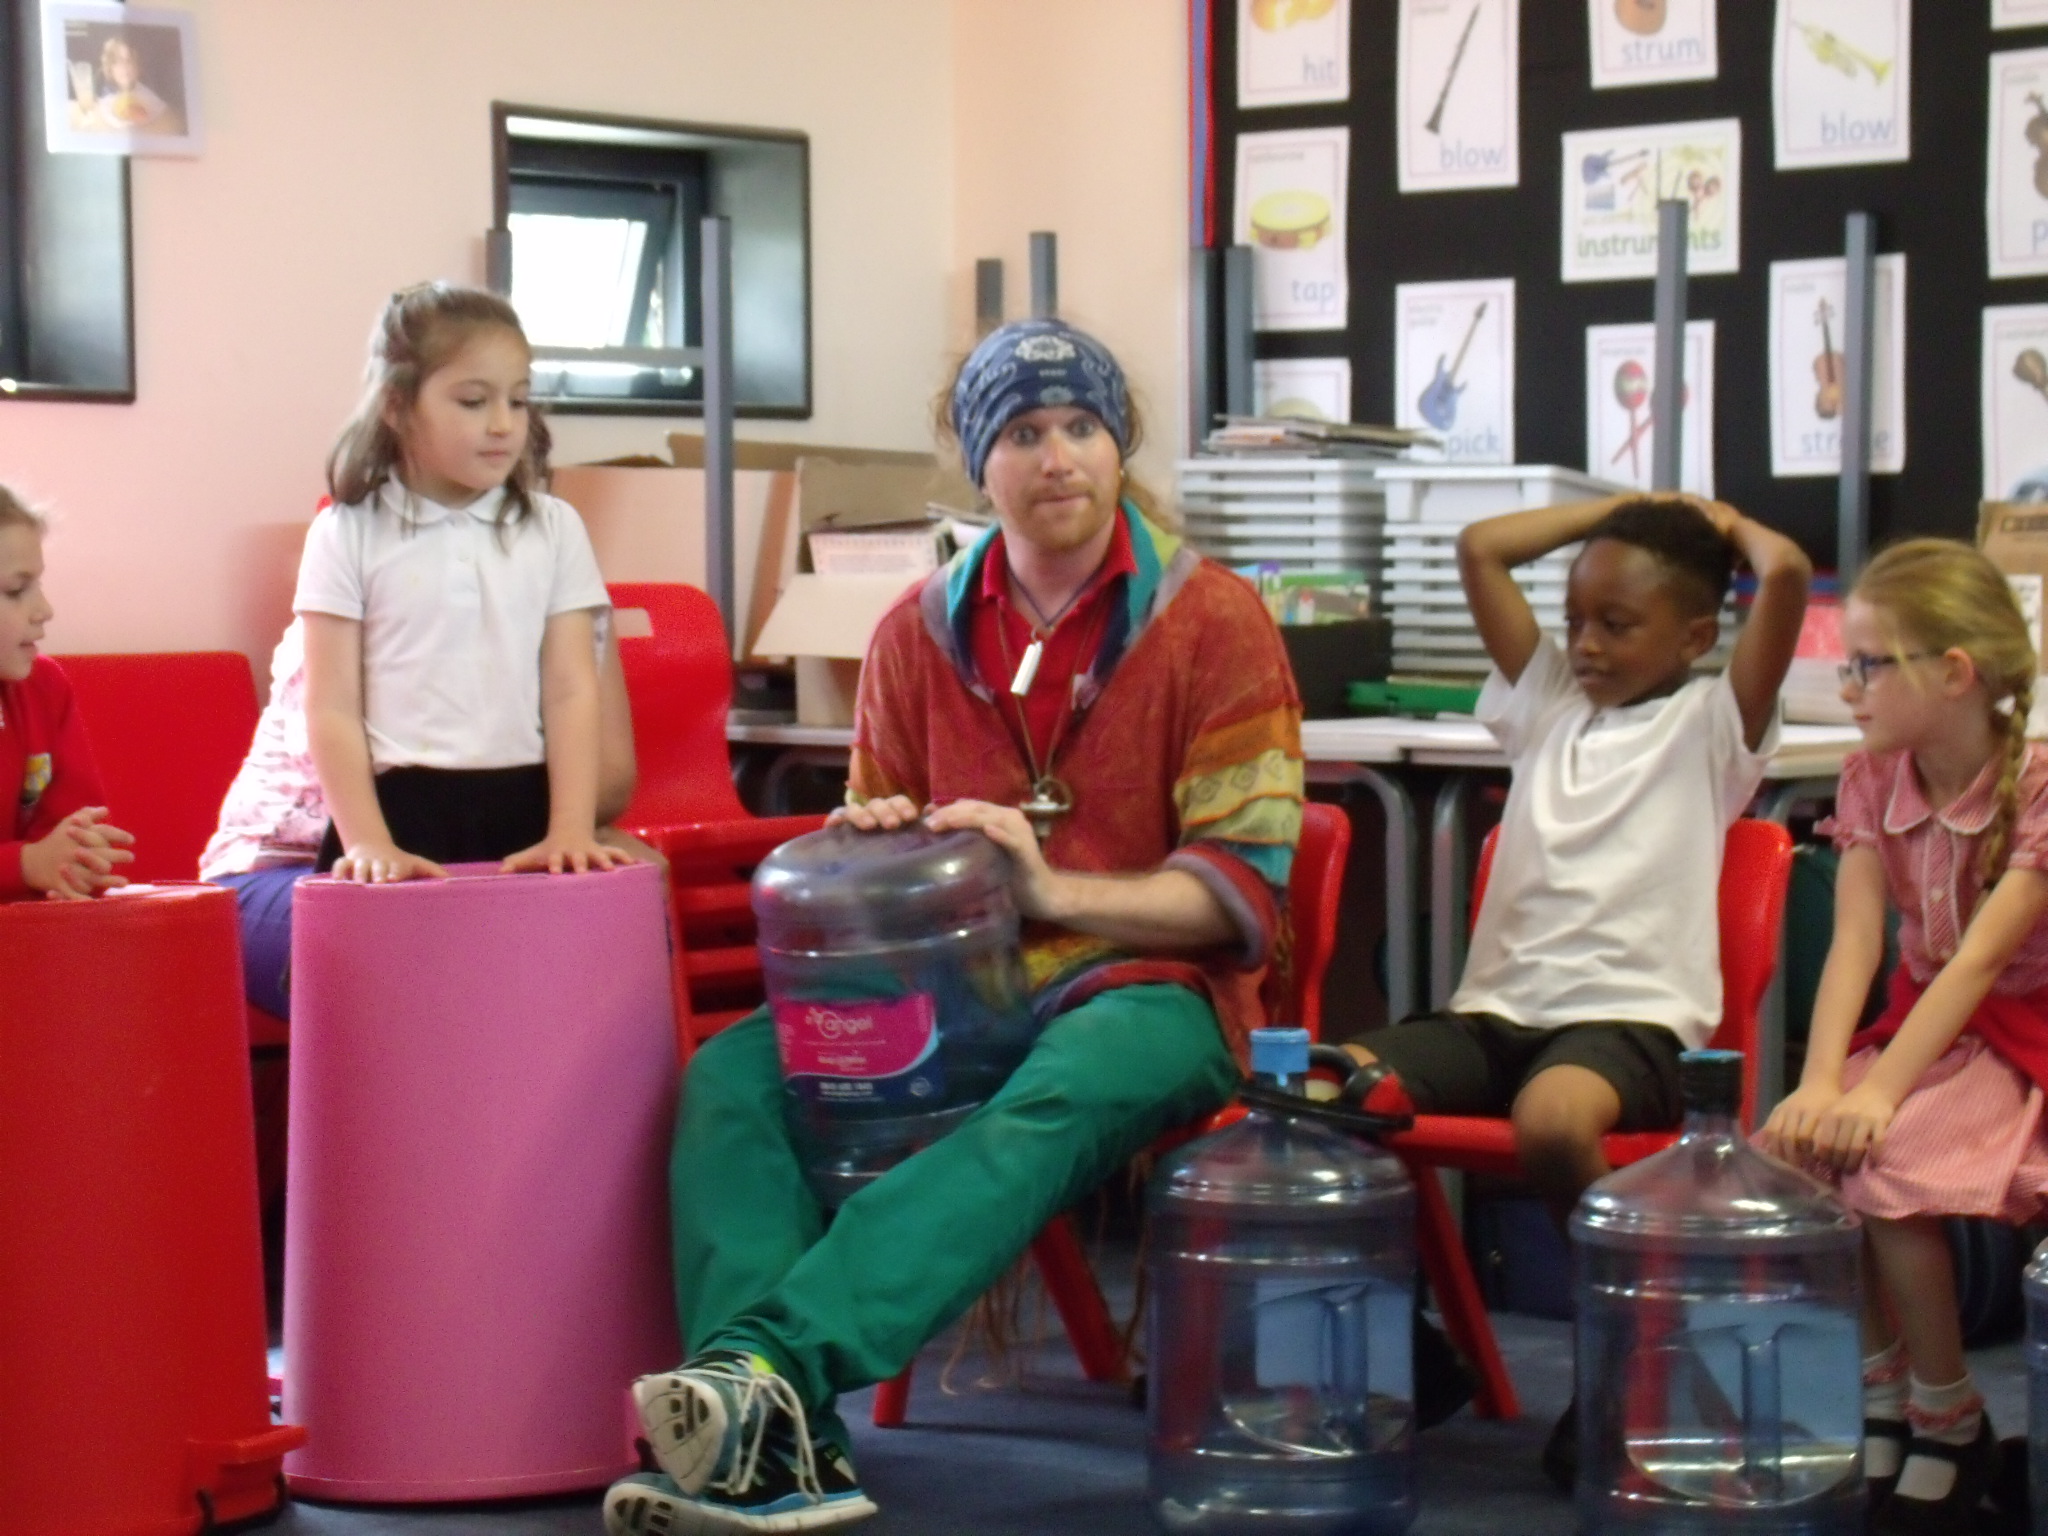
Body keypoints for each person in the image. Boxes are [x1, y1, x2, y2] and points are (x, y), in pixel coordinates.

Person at [603, 317, 1304, 1535]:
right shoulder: (912, 631)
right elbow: (862, 876)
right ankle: (777, 1448)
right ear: (978, 464)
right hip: (938, 991)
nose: (1057, 458)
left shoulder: (1212, 620)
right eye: (1023, 434)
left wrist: (1050, 892)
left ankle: (768, 1371)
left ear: (1114, 442)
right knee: (734, 1077)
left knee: (1063, 1085)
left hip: (1146, 989)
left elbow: (1239, 897)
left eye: (1080, 427)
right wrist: (874, 843)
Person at [1334, 491, 1811, 1482]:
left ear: (1691, 637)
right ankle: (1417, 1352)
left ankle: (1633, 1349)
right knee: (1321, 1093)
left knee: (1554, 1122)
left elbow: (1787, 576)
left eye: (1618, 624)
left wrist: (1718, 524)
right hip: (1494, 1014)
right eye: (1575, 621)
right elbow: (1479, 545)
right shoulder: (1547, 701)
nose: (1586, 645)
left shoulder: (1712, 724)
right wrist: (1626, 507)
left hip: (1628, 1026)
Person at [1760, 540, 2048, 1534]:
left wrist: (1876, 1097)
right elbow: (1851, 946)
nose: (1846, 687)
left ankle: (1948, 1411)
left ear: (1953, 674)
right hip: (1924, 1024)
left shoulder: (2037, 783)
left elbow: (1973, 965)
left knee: (1882, 1168)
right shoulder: (1869, 778)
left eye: (1867, 664)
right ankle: (1883, 1394)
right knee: (1796, 1164)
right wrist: (1820, 1083)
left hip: (2022, 1035)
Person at [297, 282, 629, 885]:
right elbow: (331, 707)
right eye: (474, 402)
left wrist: (571, 828)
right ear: (396, 405)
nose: (503, 424)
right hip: (397, 814)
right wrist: (369, 841)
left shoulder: (554, 528)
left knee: (537, 978)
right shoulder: (345, 532)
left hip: (526, 807)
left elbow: (571, 690)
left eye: (520, 401)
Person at [202, 608, 648, 1018]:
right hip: (292, 867)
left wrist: (572, 835)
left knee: (628, 904)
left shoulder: (565, 580)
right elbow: (394, 784)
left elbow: (607, 779)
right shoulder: (359, 586)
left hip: (468, 856)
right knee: (429, 941)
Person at [0, 486, 134, 902]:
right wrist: (27, 864)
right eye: (16, 590)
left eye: (37, 584)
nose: (44, 609)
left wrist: (79, 859)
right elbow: (37, 861)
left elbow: (75, 822)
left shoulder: (44, 688)